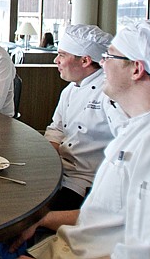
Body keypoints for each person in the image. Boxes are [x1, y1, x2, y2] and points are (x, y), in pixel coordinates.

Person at [14, 20, 150, 258]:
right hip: (68, 246)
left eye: (109, 57)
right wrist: (45, 219)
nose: (101, 63)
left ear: (136, 69)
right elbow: (106, 216)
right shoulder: (139, 128)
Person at [44, 24, 126, 212]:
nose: (56, 60)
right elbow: (56, 130)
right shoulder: (70, 89)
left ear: (85, 61)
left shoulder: (109, 93)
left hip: (86, 182)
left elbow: (124, 145)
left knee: (31, 214)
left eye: (62, 55)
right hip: (60, 170)